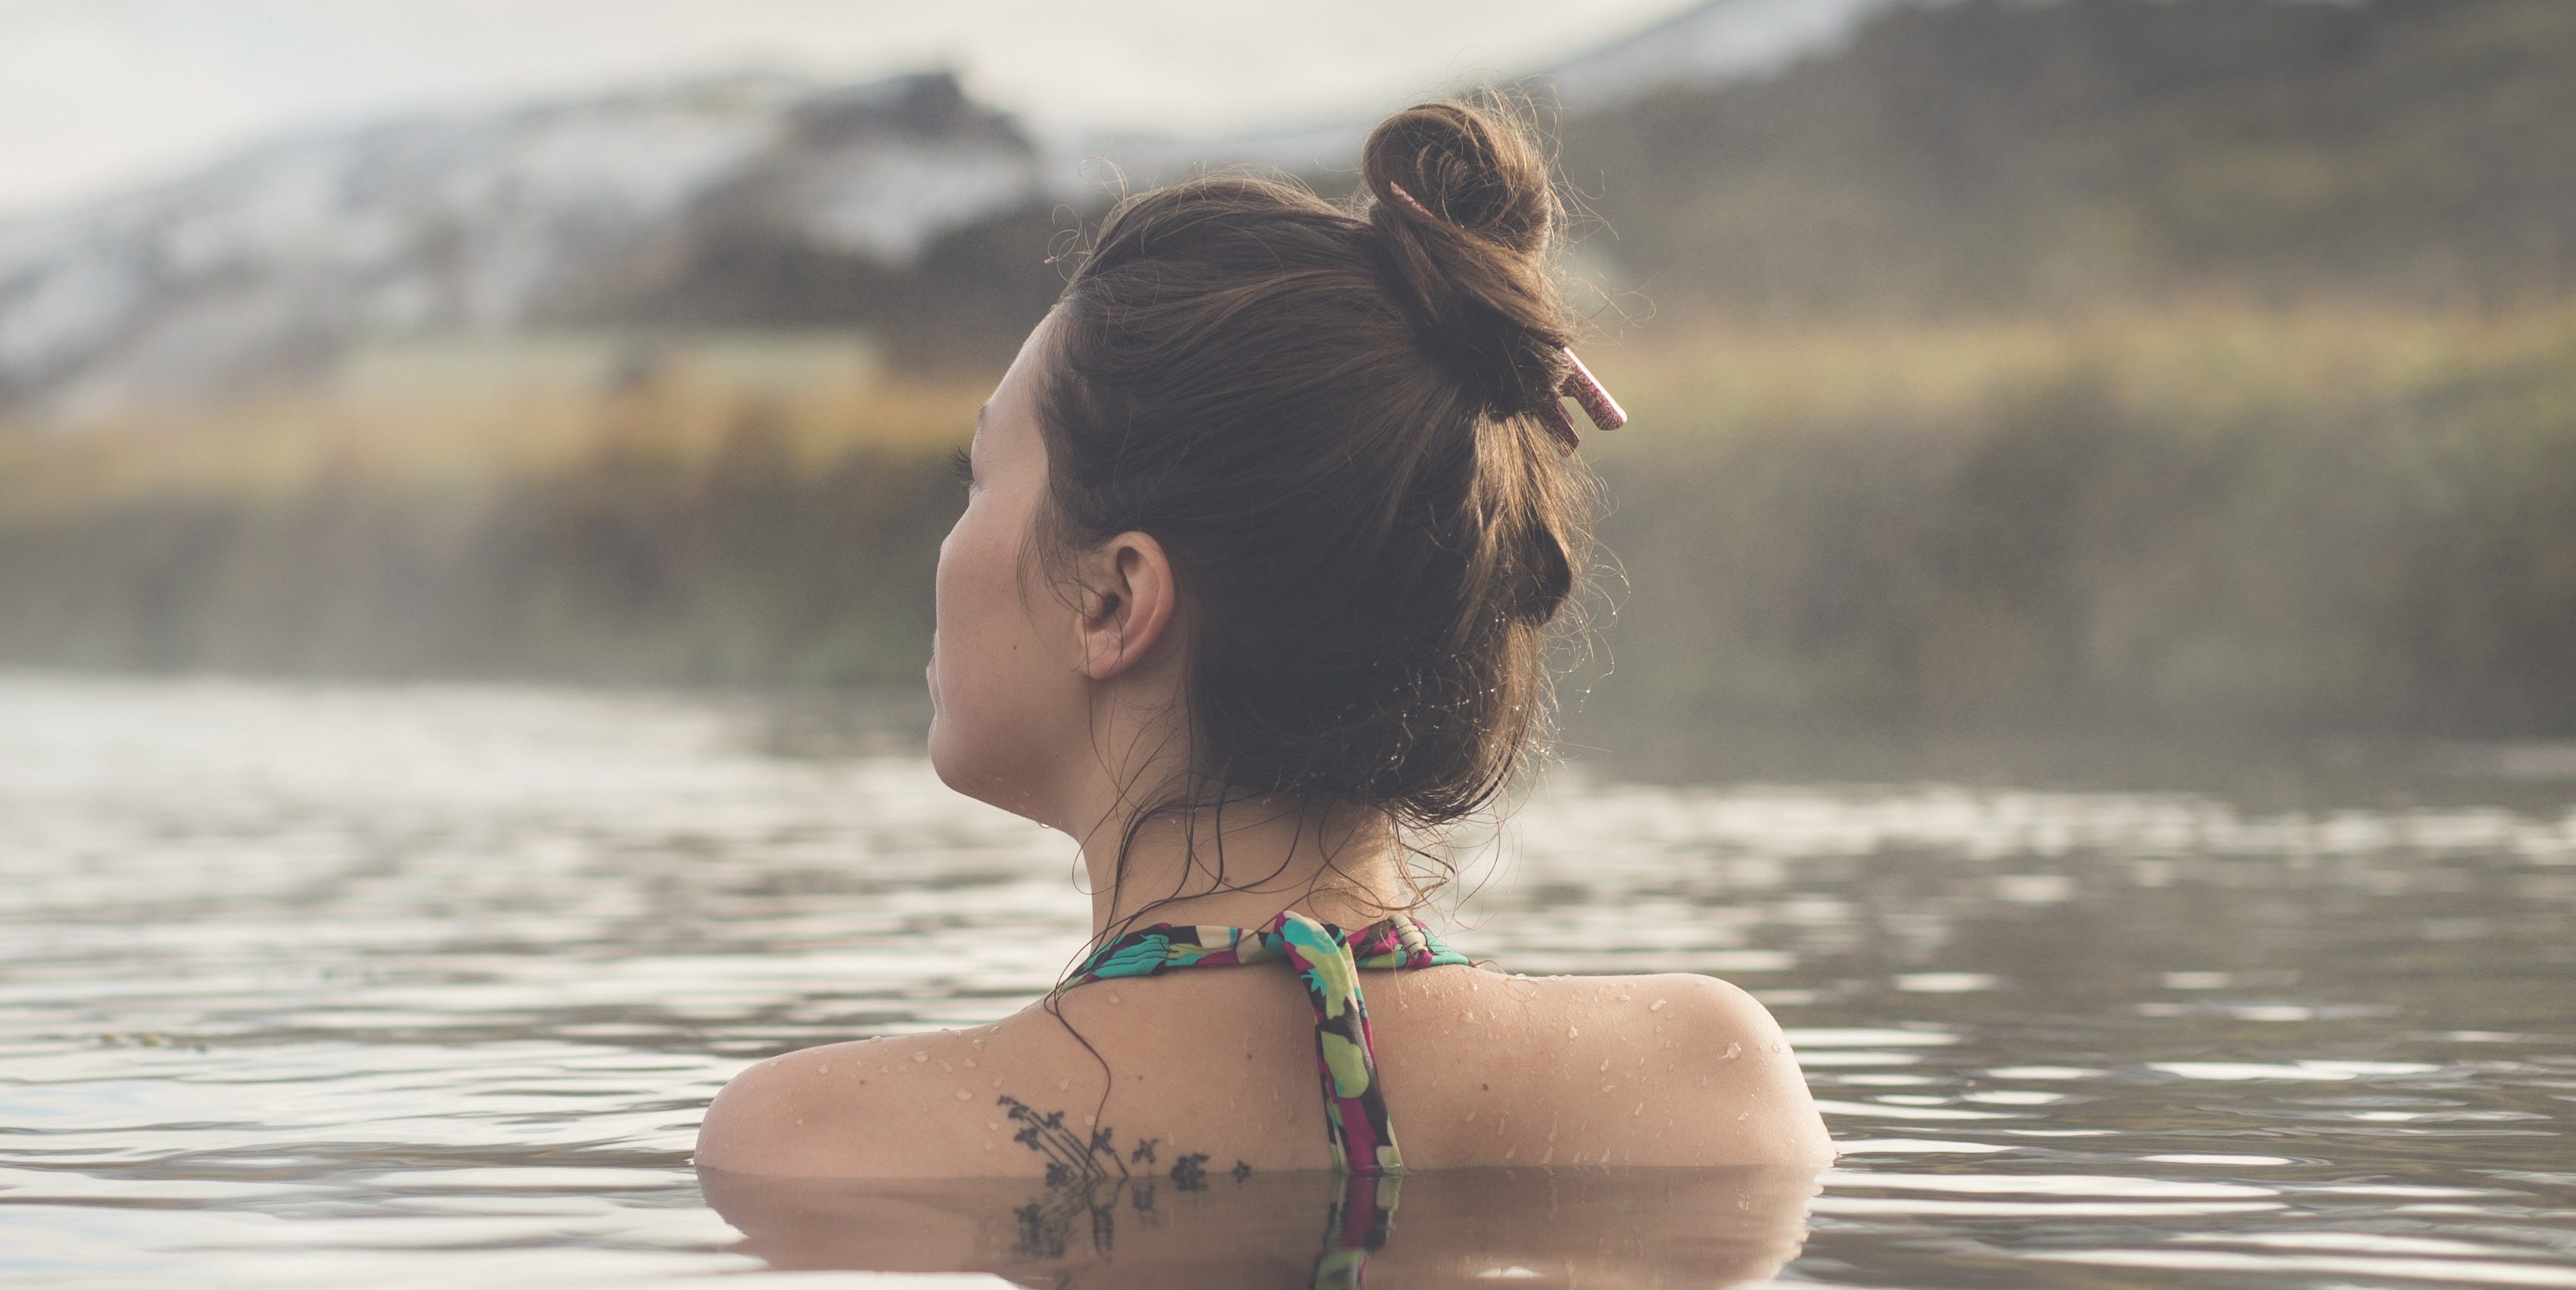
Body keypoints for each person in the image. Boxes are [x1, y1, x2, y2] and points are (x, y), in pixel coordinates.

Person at [697, 98, 1830, 1185]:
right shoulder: (1708, 1085)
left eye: (977, 477)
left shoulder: (826, 1146)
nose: (945, 551)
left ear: (1116, 600)